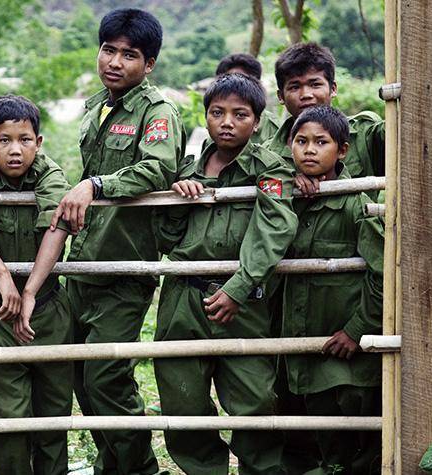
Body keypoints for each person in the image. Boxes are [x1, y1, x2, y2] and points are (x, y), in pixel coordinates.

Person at [49, 9, 184, 473]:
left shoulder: (157, 112)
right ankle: (113, 465)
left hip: (126, 268)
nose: (115, 61)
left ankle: (141, 469)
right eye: (109, 50)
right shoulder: (95, 106)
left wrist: (96, 186)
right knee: (81, 380)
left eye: (130, 55)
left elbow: (159, 169)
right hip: (83, 262)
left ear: (149, 64)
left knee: (106, 376)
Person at [152, 73, 297, 474]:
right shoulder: (189, 168)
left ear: (256, 120)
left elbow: (275, 228)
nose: (227, 122)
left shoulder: (270, 168)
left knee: (253, 400)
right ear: (207, 116)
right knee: (183, 400)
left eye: (240, 114)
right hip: (184, 298)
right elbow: (166, 237)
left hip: (243, 300)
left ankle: (260, 469)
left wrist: (239, 286)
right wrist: (178, 199)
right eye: (218, 113)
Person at [0, 95, 73, 474]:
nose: (16, 150)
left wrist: (31, 290)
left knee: (53, 414)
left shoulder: (51, 174)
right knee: (7, 416)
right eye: (4, 140)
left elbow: (58, 225)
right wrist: (2, 273)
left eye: (25, 140)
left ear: (39, 142)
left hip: (49, 309)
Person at [282, 105, 383, 473]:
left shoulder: (356, 203)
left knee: (360, 444)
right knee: (325, 441)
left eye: (320, 142)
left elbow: (383, 272)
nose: (309, 150)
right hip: (305, 345)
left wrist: (357, 329)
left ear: (342, 150)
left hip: (348, 350)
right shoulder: (284, 198)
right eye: (301, 141)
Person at [265, 42, 385, 197]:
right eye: (294, 87)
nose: (306, 94)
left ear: (333, 89)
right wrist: (287, 181)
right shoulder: (267, 154)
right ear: (281, 96)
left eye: (315, 84)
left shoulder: (363, 135)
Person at [215, 53, 280, 144]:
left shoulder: (273, 128)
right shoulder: (215, 121)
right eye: (227, 80)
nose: (234, 86)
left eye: (242, 81)